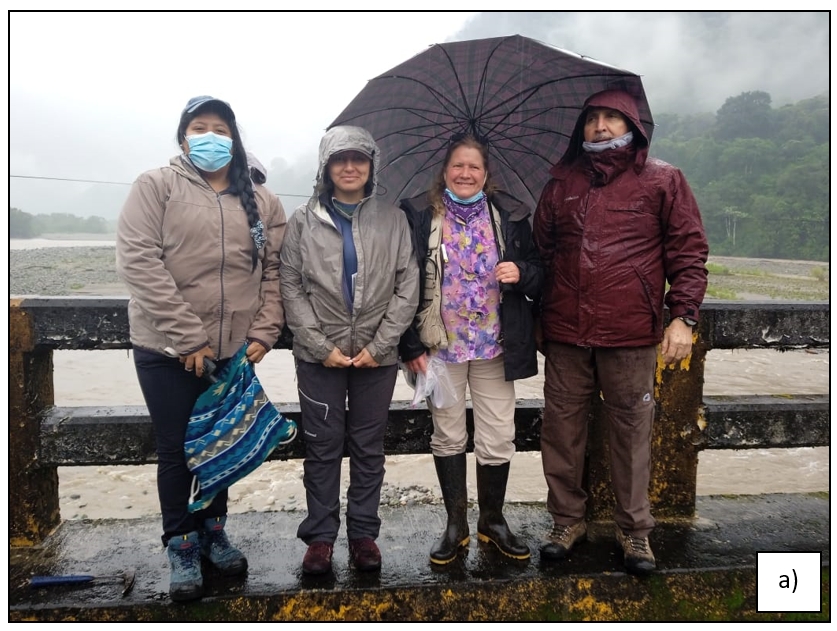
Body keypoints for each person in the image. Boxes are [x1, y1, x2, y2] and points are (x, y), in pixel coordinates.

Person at [116, 95, 287, 601]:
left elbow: (274, 271)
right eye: (199, 127)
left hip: (233, 349)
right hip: (165, 349)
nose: (210, 135)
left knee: (222, 439)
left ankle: (215, 529)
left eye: (220, 127)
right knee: (176, 449)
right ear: (183, 136)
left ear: (234, 138)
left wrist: (265, 329)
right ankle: (181, 541)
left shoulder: (261, 198)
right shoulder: (156, 186)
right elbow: (138, 261)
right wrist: (186, 336)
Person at [533, 89, 709, 575]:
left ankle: (635, 533)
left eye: (613, 118)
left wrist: (683, 317)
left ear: (634, 128)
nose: (601, 127)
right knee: (561, 430)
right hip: (566, 331)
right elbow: (543, 254)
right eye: (592, 119)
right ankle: (567, 522)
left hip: (631, 332)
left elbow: (689, 253)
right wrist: (538, 318)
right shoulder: (561, 183)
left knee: (632, 433)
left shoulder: (662, 180)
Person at [279, 125, 419, 575]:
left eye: (359, 158)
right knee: (321, 446)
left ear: (371, 166)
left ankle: (363, 535)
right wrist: (321, 346)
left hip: (376, 358)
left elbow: (407, 283)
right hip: (318, 357)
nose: (350, 166)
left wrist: (381, 345)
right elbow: (290, 285)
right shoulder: (303, 220)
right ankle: (319, 538)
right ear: (326, 167)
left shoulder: (392, 218)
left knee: (367, 446)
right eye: (340, 159)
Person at [398, 134, 543, 565]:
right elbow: (401, 281)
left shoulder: (512, 216)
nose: (465, 173)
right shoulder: (419, 216)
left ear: (486, 174)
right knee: (448, 433)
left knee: (498, 435)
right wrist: (409, 346)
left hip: (496, 346)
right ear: (444, 171)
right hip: (439, 349)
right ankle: (455, 524)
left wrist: (522, 271)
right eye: (457, 166)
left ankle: (492, 521)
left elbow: (540, 271)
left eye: (474, 167)